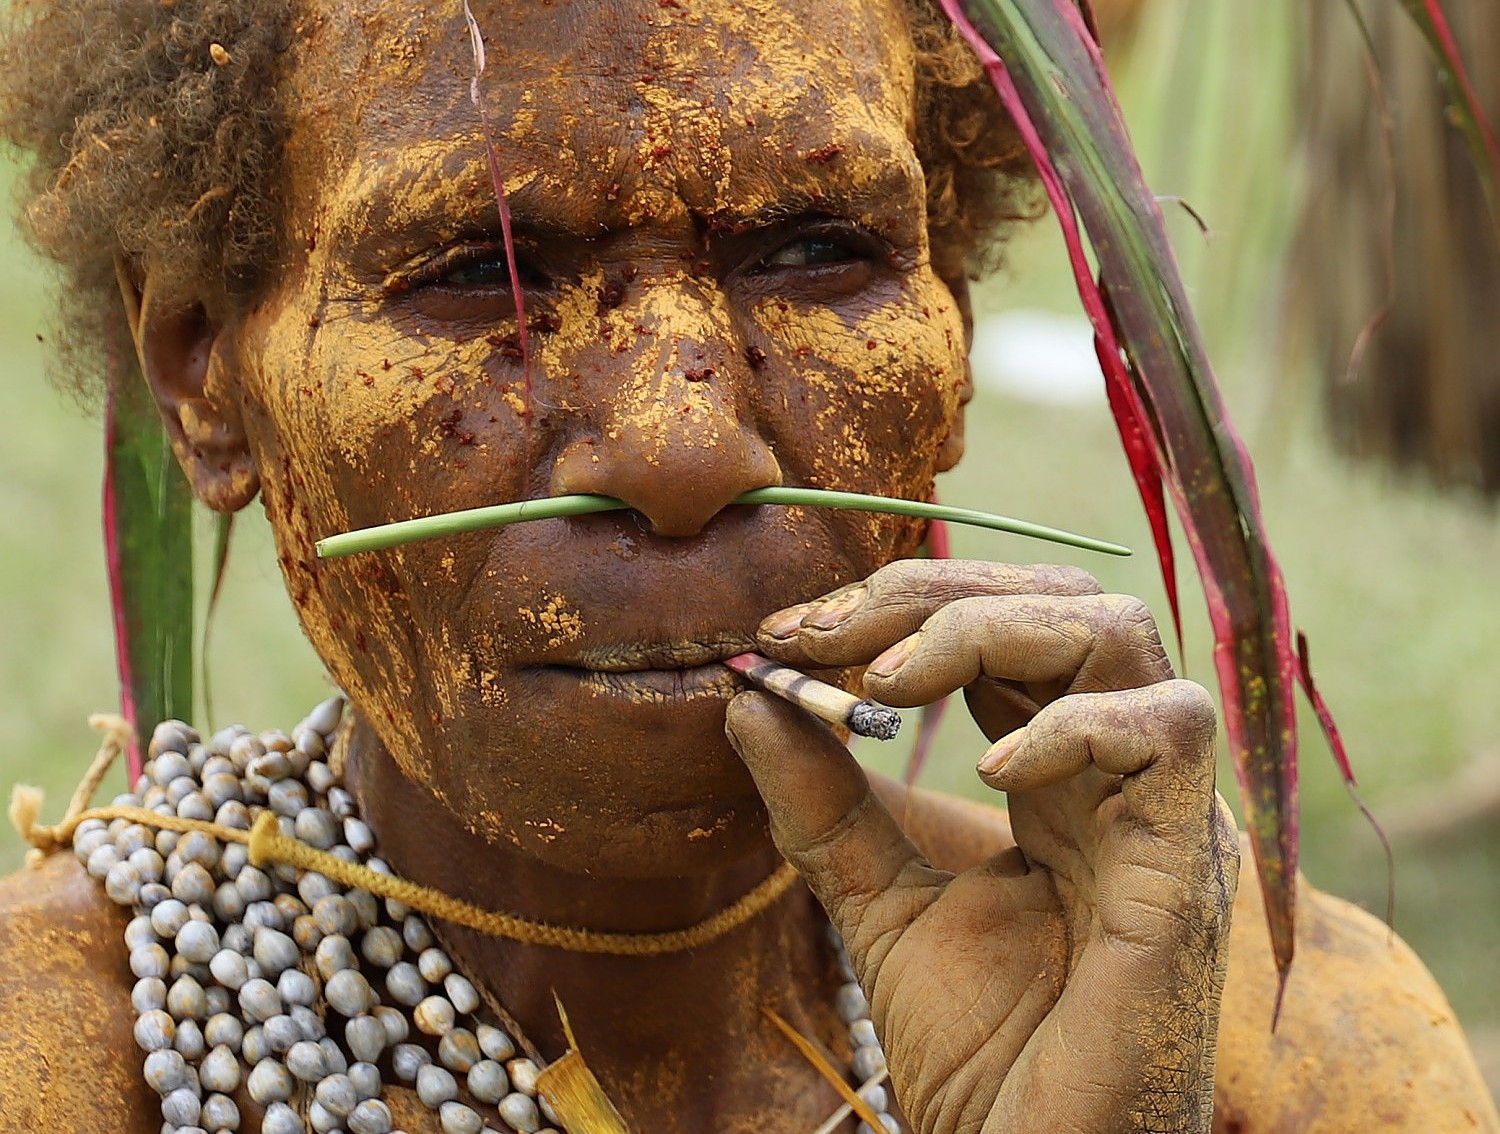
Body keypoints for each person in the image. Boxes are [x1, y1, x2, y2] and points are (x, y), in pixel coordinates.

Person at [0, 1, 1494, 1131]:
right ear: (201, 360)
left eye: (815, 249)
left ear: (957, 322)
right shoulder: (54, 1062)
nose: (680, 451)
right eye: (477, 273)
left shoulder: (1285, 1049)